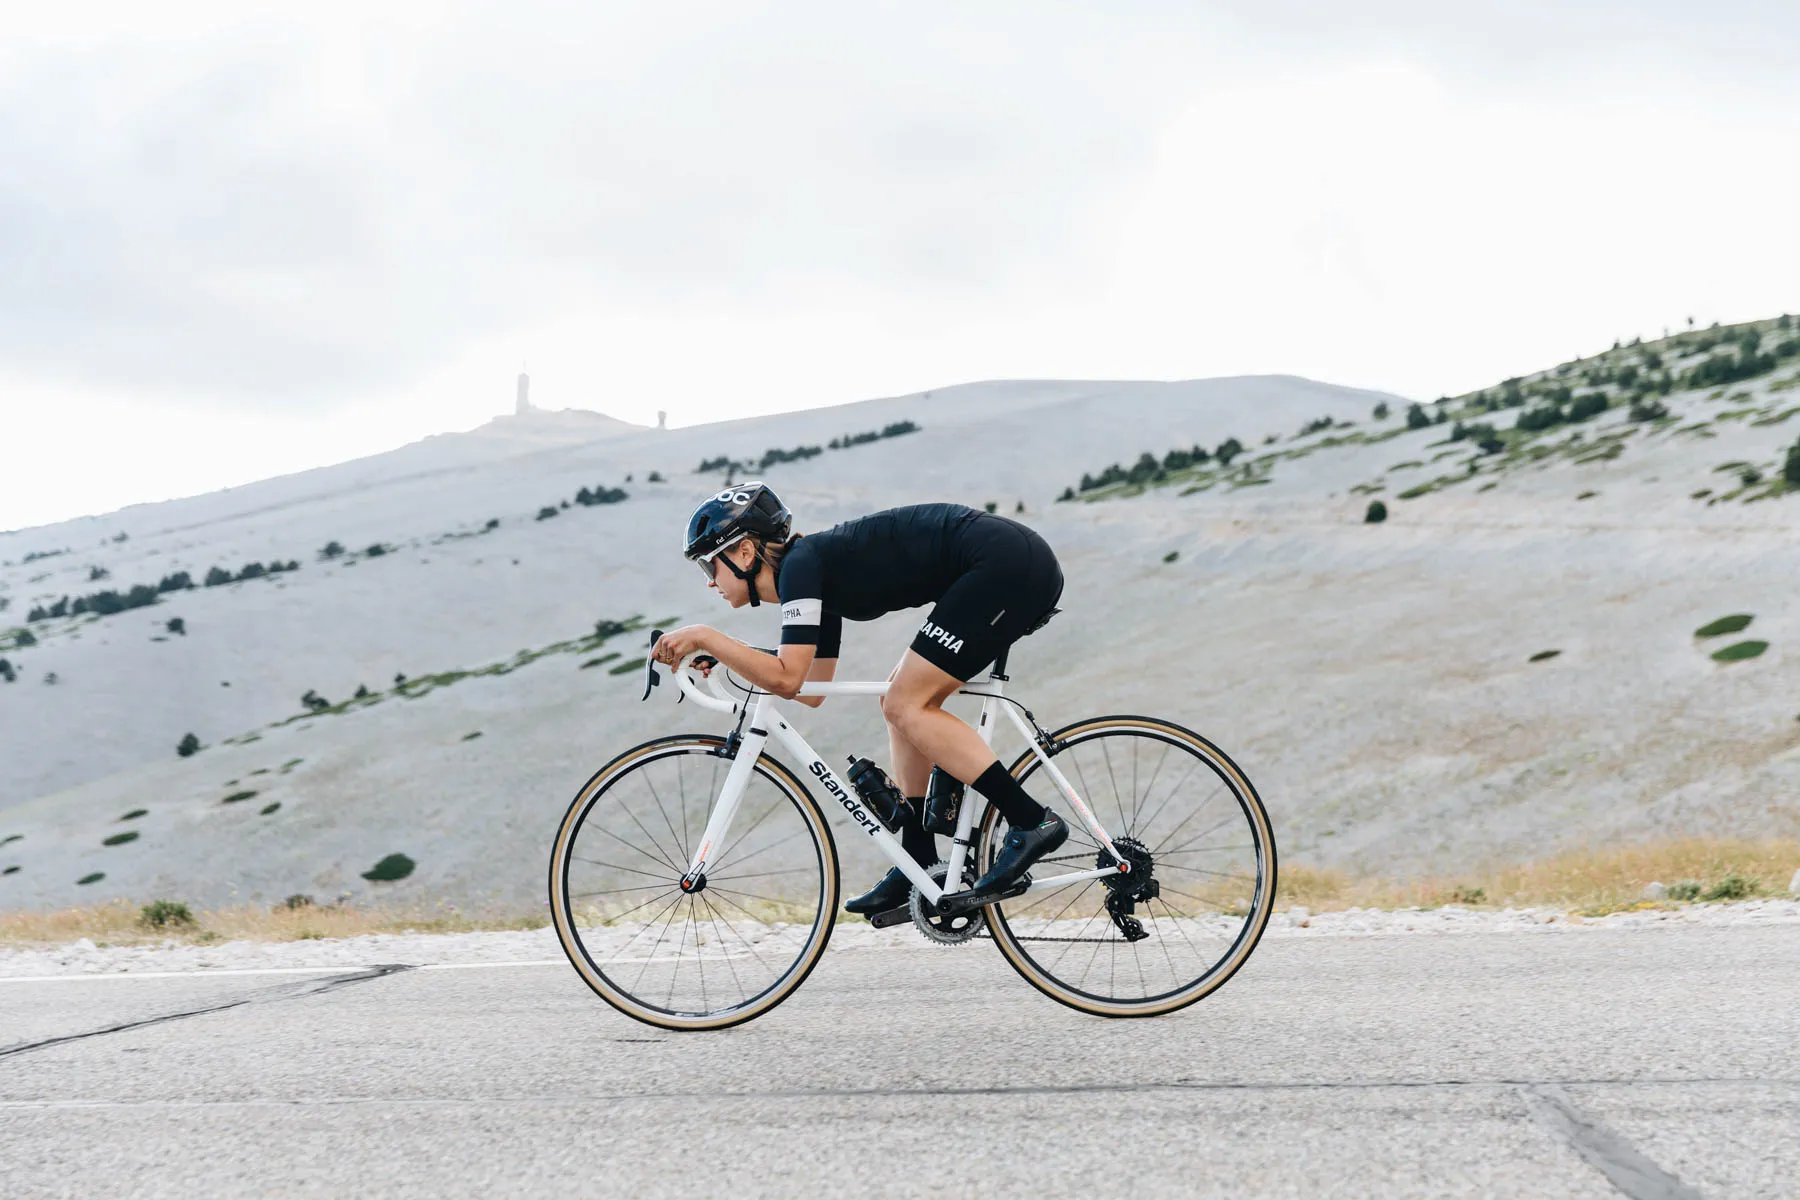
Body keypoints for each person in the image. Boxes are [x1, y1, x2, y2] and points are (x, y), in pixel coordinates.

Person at [651, 482, 1067, 916]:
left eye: (707, 565)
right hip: (1004, 561)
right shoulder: (808, 571)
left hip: (1004, 563)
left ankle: (1033, 820)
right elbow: (811, 685)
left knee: (907, 703)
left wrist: (706, 636)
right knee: (898, 699)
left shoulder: (802, 566)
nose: (708, 582)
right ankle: (918, 860)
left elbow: (789, 680)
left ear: (742, 553)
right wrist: (726, 655)